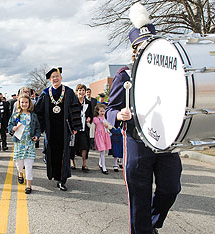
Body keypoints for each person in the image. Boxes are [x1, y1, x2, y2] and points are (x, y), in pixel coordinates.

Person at [105, 3, 182, 233]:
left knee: (171, 188)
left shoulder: (170, 74)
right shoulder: (124, 74)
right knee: (139, 195)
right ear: (134, 49)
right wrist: (118, 114)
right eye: (141, 45)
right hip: (137, 140)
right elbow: (110, 109)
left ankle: (151, 223)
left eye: (150, 43)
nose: (145, 48)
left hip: (167, 141)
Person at [35, 67, 82, 191]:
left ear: (61, 78)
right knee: (52, 152)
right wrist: (39, 128)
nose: (55, 78)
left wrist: (75, 126)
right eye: (53, 77)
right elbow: (38, 112)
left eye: (57, 76)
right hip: (50, 129)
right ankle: (55, 175)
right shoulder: (45, 93)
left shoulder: (69, 92)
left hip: (64, 128)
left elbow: (75, 109)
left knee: (64, 153)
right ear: (50, 79)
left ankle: (62, 179)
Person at [8, 94, 41, 194]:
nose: (24, 104)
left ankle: (28, 185)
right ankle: (20, 173)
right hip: (19, 143)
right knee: (19, 164)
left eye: (26, 102)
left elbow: (38, 128)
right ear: (19, 103)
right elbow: (9, 126)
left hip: (29, 143)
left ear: (29, 103)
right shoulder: (15, 115)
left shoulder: (33, 115)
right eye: (22, 102)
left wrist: (37, 136)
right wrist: (12, 128)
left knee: (29, 165)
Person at [70, 84, 92, 172]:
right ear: (76, 92)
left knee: (85, 146)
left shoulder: (88, 103)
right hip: (75, 128)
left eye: (83, 90)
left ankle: (84, 163)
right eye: (79, 90)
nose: (81, 92)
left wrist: (89, 118)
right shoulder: (73, 102)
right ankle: (72, 163)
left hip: (84, 128)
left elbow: (90, 114)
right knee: (73, 146)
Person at [93, 103, 112, 174]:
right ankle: (104, 167)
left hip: (105, 135)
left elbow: (110, 126)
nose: (102, 112)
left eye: (103, 111)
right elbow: (92, 127)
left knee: (104, 151)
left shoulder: (106, 118)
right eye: (101, 111)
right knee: (102, 150)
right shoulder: (95, 119)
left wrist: (106, 125)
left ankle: (101, 163)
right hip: (99, 136)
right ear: (98, 111)